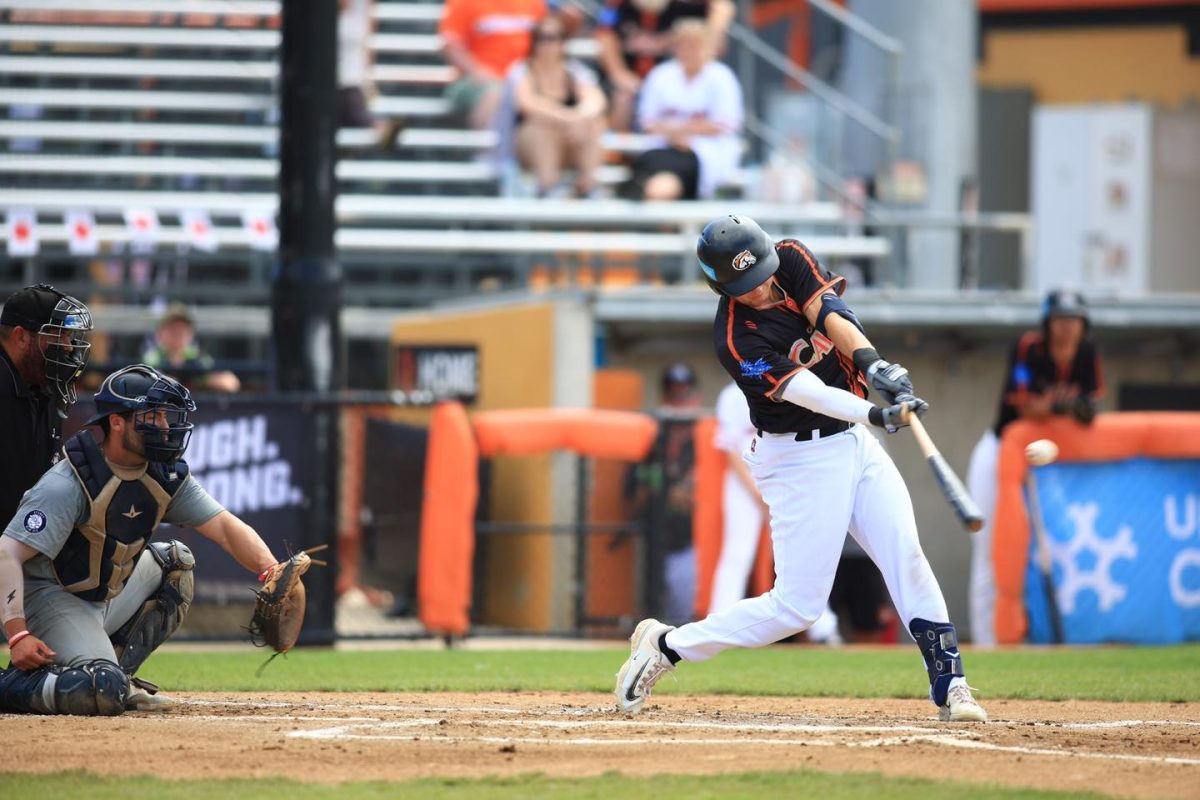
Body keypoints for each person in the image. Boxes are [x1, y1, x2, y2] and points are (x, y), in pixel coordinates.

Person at [615, 214, 987, 722]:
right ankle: (669, 644)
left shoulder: (789, 257)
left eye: (763, 273)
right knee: (797, 608)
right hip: (798, 457)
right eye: (746, 286)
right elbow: (807, 392)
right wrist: (876, 411)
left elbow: (829, 311)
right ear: (722, 288)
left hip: (855, 442)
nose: (763, 288)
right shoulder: (733, 338)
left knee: (907, 555)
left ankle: (952, 685)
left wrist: (874, 364)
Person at [0, 364, 282, 715]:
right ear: (117, 422)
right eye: (153, 416)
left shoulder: (163, 475)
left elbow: (225, 527)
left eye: (166, 416)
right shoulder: (68, 482)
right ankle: (11, 686)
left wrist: (271, 570)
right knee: (100, 691)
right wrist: (17, 634)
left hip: (103, 598)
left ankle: (116, 673)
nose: (165, 426)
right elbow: (7, 552)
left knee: (175, 562)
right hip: (52, 599)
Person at [965, 289, 1103, 647]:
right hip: (999, 452)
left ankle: (1028, 636)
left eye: (1074, 319)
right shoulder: (1030, 348)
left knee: (1038, 550)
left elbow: (1092, 404)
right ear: (1048, 322)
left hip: (1043, 463)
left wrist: (1073, 408)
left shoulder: (1087, 353)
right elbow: (1024, 405)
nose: (1067, 327)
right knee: (990, 548)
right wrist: (1067, 408)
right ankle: (987, 645)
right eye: (1060, 319)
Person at [710, 380, 841, 644]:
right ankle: (715, 626)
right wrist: (756, 492)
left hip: (782, 475)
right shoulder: (731, 395)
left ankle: (823, 628)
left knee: (802, 551)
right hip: (743, 482)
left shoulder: (786, 384)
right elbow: (730, 449)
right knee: (738, 552)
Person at [1, 284, 93, 525]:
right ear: (21, 336)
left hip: (23, 542)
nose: (68, 346)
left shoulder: (47, 383)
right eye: (57, 334)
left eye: (68, 335)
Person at [625, 19, 743, 201]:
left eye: (695, 45)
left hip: (703, 155)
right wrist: (680, 133)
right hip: (661, 150)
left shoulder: (721, 77)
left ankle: (643, 193)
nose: (689, 51)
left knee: (661, 188)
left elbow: (724, 124)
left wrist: (675, 130)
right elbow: (647, 121)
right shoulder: (661, 75)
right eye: (684, 45)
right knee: (658, 179)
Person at [595, 0, 735, 131]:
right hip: (633, 81)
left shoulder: (684, 7)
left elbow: (722, 7)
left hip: (675, 81)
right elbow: (605, 33)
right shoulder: (618, 5)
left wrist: (707, 45)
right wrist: (619, 74)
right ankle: (615, 154)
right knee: (622, 98)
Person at [510, 13, 608, 198]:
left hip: (570, 144)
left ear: (564, 41)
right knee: (542, 125)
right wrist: (567, 117)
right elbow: (527, 104)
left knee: (593, 123)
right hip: (528, 148)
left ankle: (589, 185)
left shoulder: (574, 71)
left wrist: (579, 117)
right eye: (542, 38)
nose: (548, 44)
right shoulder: (522, 70)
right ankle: (548, 185)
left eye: (554, 37)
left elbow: (597, 100)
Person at [439, 0, 548, 131]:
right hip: (477, 81)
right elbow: (450, 45)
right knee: (496, 94)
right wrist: (477, 71)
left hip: (526, 79)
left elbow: (549, 36)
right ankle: (489, 150)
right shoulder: (463, 2)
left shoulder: (533, 3)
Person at [142, 304, 240, 393]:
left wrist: (203, 379)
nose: (178, 333)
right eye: (172, 328)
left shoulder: (198, 356)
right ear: (160, 333)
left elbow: (229, 383)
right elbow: (148, 383)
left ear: (190, 334)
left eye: (183, 328)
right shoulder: (153, 357)